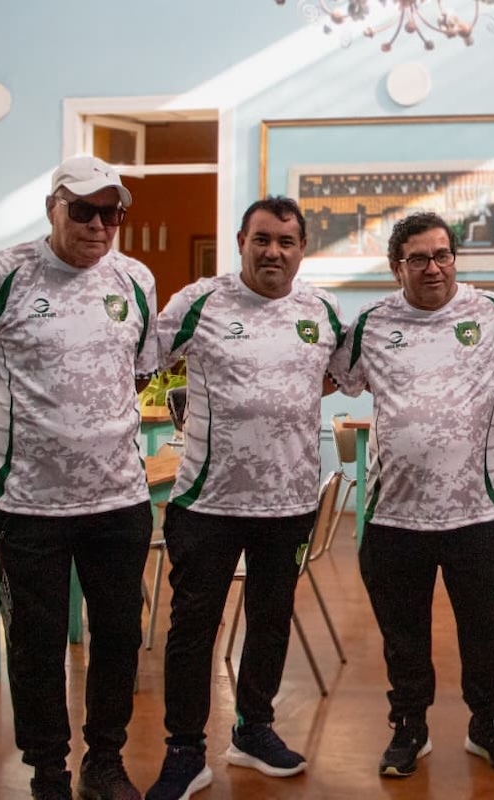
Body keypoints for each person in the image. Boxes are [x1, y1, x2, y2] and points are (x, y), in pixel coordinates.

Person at [0, 155, 156, 800]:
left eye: (111, 213)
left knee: (118, 636)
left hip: (119, 497)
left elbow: (140, 371)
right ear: (52, 208)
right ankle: (49, 772)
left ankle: (105, 762)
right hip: (28, 502)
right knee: (35, 644)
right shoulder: (1, 275)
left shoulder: (134, 278)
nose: (98, 225)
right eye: (83, 210)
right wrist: (11, 424)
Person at [143, 197, 344, 800]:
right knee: (193, 628)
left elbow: (335, 372)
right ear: (241, 242)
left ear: (302, 249)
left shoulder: (323, 309)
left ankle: (253, 730)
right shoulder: (200, 301)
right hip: (207, 502)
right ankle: (184, 750)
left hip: (288, 501)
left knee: (271, 621)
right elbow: (146, 360)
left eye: (286, 241)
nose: (273, 252)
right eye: (262, 240)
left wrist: (280, 398)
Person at [329, 211, 494, 779]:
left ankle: (488, 726)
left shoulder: (493, 315)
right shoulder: (371, 324)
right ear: (397, 267)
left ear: (454, 259)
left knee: (488, 636)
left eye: (442, 255)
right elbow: (332, 376)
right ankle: (408, 728)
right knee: (403, 638)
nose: (433, 267)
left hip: (476, 512)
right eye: (417, 258)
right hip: (394, 517)